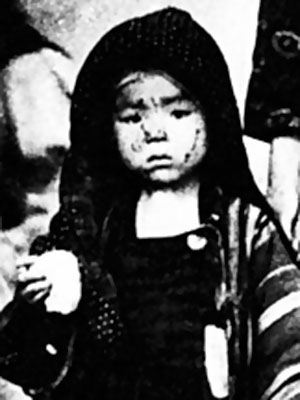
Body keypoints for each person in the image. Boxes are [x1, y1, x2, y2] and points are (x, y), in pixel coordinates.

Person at [0, 7, 299, 400]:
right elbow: (31, 362)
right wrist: (54, 301)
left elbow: (287, 333)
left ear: (212, 117)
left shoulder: (241, 229)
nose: (155, 131)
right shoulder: (98, 233)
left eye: (178, 112)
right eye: (132, 116)